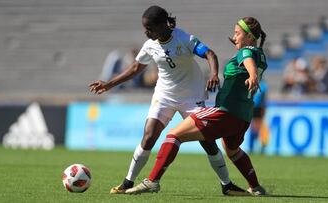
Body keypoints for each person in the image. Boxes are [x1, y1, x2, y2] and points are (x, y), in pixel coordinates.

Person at [89, 5, 244, 195]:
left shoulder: (184, 38)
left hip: (192, 98)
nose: (146, 32)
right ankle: (127, 183)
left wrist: (213, 74)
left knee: (209, 142)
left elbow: (210, 54)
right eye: (145, 28)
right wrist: (109, 84)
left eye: (150, 28)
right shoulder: (150, 45)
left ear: (163, 25)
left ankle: (226, 185)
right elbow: (136, 68)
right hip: (164, 96)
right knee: (149, 136)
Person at [125, 16, 267, 196]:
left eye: (238, 33)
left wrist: (252, 75)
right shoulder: (260, 54)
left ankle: (152, 181)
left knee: (173, 135)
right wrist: (253, 73)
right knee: (232, 150)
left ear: (249, 37)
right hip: (243, 117)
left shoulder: (246, 51)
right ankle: (255, 187)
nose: (235, 36)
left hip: (226, 113)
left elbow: (248, 61)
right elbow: (252, 62)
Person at [248, 79, 269, 154]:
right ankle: (253, 146)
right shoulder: (261, 84)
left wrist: (264, 108)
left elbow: (264, 99)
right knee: (255, 128)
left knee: (257, 128)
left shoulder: (262, 85)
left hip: (257, 108)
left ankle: (258, 146)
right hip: (252, 107)